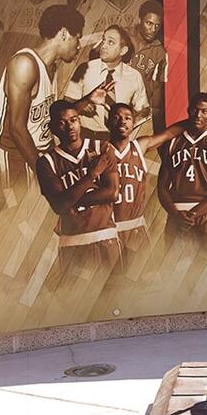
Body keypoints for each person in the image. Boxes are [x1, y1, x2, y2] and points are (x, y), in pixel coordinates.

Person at [0, 4, 84, 194]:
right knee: (8, 220)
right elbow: (16, 128)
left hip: (39, 154)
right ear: (64, 33)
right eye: (78, 37)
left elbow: (43, 122)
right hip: (15, 156)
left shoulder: (52, 68)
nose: (79, 45)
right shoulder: (25, 64)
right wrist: (45, 174)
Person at [36, 100, 120, 292]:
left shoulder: (102, 149)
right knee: (76, 306)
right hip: (72, 243)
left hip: (105, 236)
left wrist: (68, 199)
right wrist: (92, 175)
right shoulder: (46, 162)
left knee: (116, 298)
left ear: (80, 121)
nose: (69, 126)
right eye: (62, 122)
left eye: (73, 120)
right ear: (52, 127)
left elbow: (112, 192)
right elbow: (58, 206)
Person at [105, 103, 184, 262]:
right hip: (108, 229)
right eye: (117, 118)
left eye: (127, 118)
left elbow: (169, 133)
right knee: (112, 284)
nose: (122, 122)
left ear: (133, 123)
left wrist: (206, 120)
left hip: (135, 227)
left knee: (143, 281)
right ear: (108, 122)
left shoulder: (140, 146)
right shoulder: (99, 151)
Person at [157, 93, 207, 252]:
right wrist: (175, 215)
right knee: (173, 273)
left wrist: (192, 214)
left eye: (204, 111)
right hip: (177, 215)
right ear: (188, 110)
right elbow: (162, 187)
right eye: (195, 110)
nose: (198, 115)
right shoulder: (173, 141)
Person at [64, 24, 150, 140]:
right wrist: (82, 105)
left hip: (115, 140)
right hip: (83, 137)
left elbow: (144, 110)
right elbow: (66, 105)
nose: (103, 46)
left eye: (110, 42)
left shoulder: (134, 77)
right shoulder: (84, 69)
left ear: (123, 51)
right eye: (103, 40)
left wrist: (128, 125)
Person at [130, 0, 167, 130]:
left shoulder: (159, 52)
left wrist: (154, 116)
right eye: (149, 23)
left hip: (138, 111)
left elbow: (157, 86)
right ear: (140, 20)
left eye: (157, 25)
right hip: (112, 103)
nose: (153, 30)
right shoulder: (122, 36)